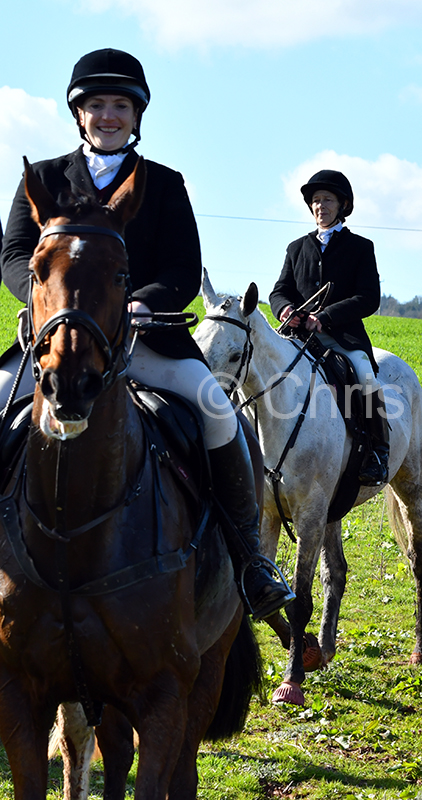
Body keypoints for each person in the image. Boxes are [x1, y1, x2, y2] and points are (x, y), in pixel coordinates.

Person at [0, 48, 293, 619]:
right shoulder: (45, 178)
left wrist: (142, 302)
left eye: (120, 105)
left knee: (216, 410)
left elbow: (183, 266)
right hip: (60, 341)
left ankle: (250, 558)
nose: (108, 115)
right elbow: (14, 254)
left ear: (136, 115)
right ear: (79, 113)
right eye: (97, 105)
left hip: (143, 340)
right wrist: (45, 299)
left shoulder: (163, 183)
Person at [269, 170, 388, 487]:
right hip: (298, 338)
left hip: (342, 338)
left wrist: (326, 316)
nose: (320, 206)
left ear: (342, 205)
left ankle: (378, 453)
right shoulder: (296, 248)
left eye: (327, 200)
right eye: (316, 200)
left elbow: (368, 298)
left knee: (365, 377)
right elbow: (279, 291)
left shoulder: (360, 247)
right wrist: (285, 309)